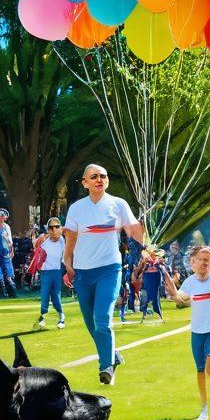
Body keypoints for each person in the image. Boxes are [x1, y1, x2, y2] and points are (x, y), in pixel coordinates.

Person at [63, 163, 143, 386]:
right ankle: (113, 354)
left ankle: (106, 367)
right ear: (85, 183)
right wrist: (67, 264)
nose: (100, 179)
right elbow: (70, 239)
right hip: (82, 273)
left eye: (104, 176)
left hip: (109, 269)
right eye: (94, 177)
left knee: (102, 319)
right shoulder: (76, 208)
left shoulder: (118, 204)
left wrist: (146, 248)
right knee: (91, 324)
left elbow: (134, 230)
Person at [164, 247, 210, 420]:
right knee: (200, 370)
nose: (204, 262)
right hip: (197, 331)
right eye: (201, 259)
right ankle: (204, 409)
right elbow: (180, 298)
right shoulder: (190, 282)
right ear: (194, 263)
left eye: (208, 260)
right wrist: (169, 281)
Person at [34, 218, 66, 329]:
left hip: (57, 272)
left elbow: (69, 231)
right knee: (44, 295)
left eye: (57, 227)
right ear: (48, 229)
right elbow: (35, 247)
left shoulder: (62, 240)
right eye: (51, 227)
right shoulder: (43, 241)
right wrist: (43, 237)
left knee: (56, 295)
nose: (54, 229)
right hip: (45, 272)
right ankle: (42, 317)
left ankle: (61, 317)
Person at [134, 247, 165, 324]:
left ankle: (159, 315)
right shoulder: (144, 261)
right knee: (146, 297)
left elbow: (162, 270)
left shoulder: (158, 261)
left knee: (155, 296)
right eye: (151, 254)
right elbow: (138, 270)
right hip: (147, 278)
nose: (152, 256)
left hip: (155, 277)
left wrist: (159, 264)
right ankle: (144, 315)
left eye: (153, 254)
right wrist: (143, 263)